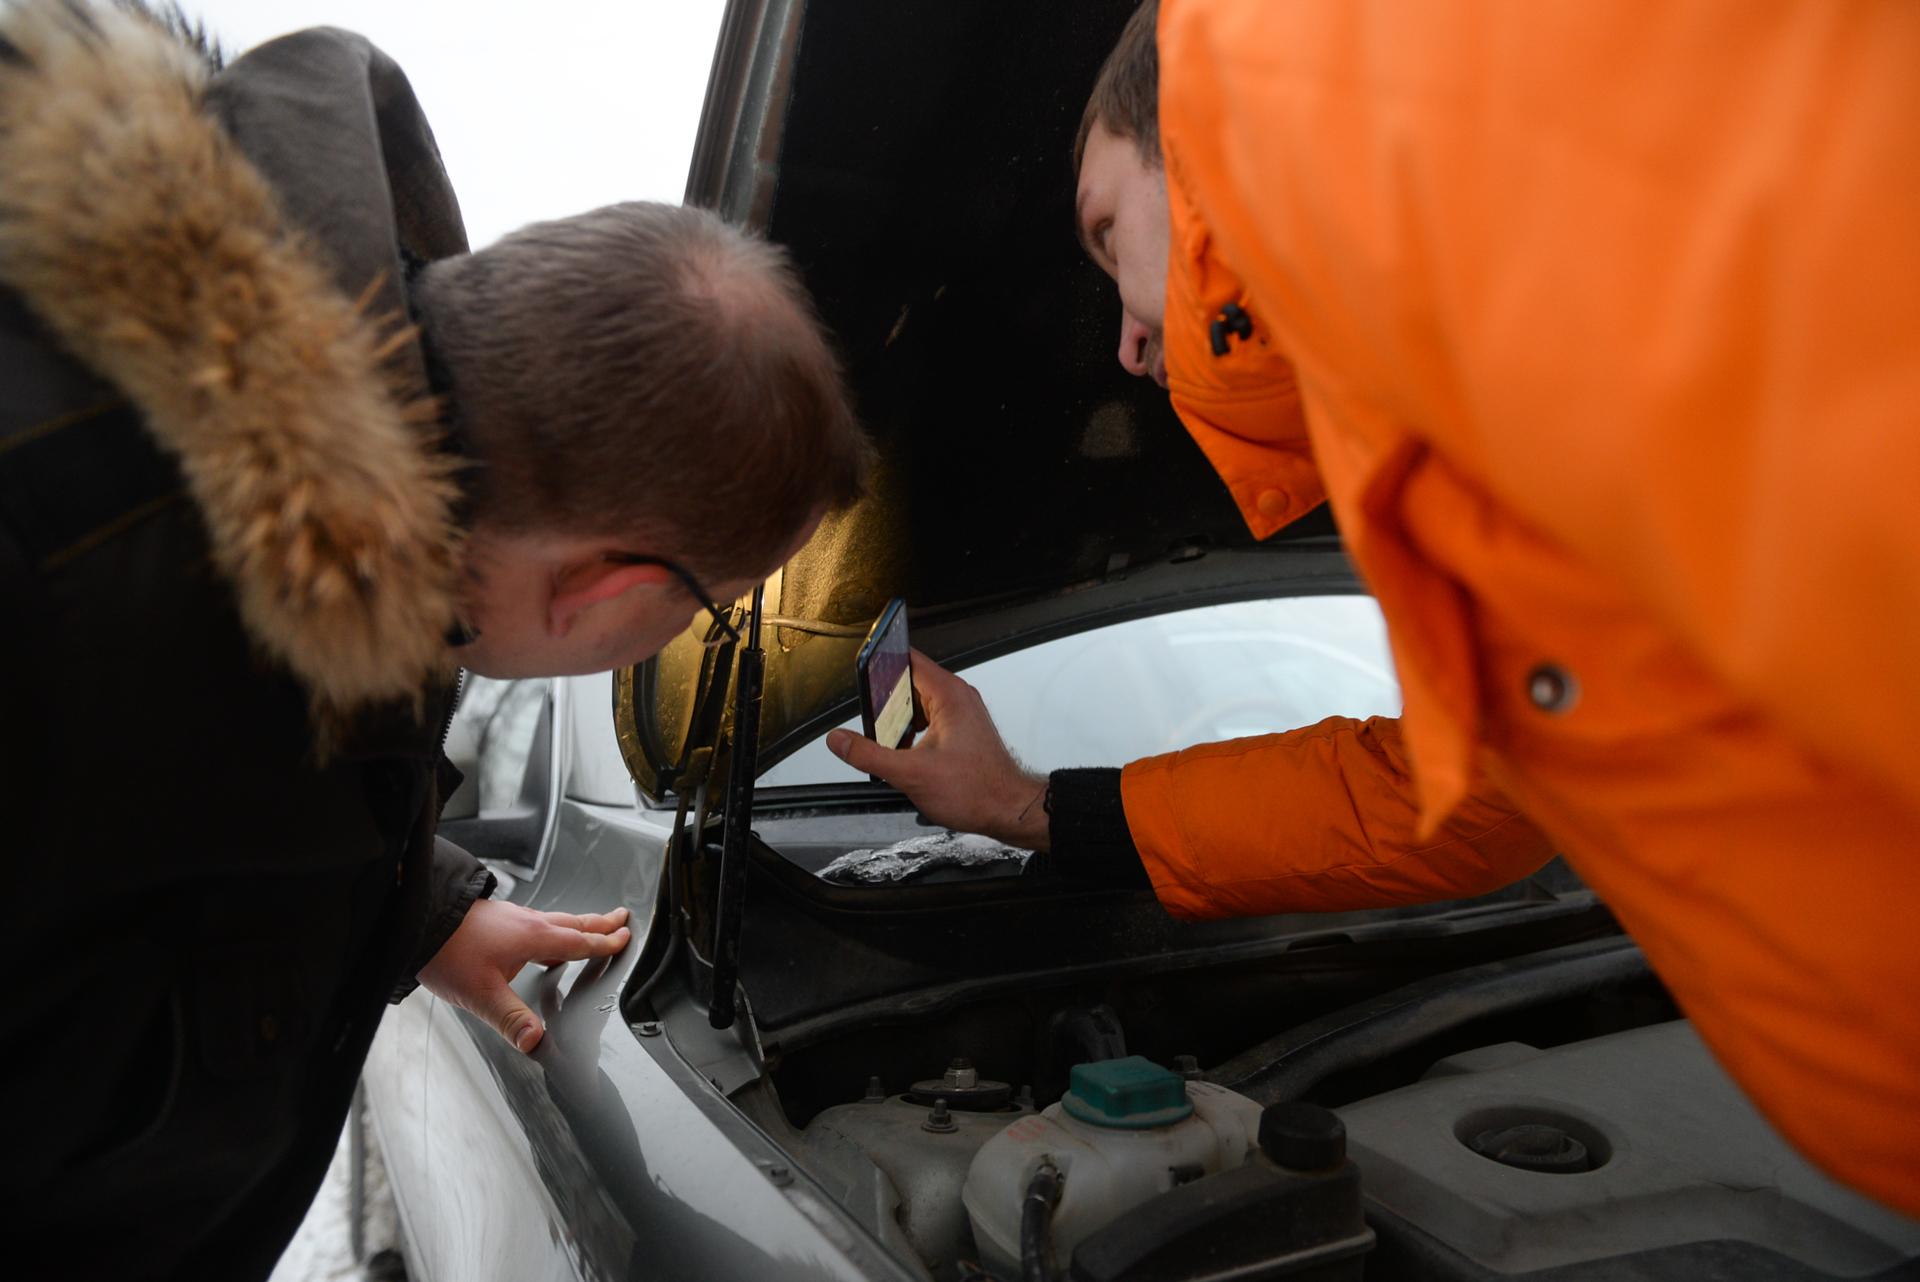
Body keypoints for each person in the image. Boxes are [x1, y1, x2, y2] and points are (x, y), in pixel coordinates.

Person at [827, 0, 1920, 1216]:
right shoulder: (1490, 449)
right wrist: (1028, 806)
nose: (1128, 347)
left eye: (1105, 233)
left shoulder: (1569, 176)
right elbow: (1466, 804)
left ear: (1200, 135)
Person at [0, 2, 870, 1277]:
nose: (688, 633)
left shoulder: (368, 511)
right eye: (705, 603)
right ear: (605, 583)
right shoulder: (46, 561)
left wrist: (414, 910)